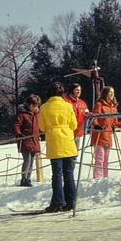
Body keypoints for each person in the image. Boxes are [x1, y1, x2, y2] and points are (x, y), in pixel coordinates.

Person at [39, 82, 78, 212]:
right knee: (69, 174)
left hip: (54, 142)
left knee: (56, 174)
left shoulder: (44, 107)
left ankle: (57, 202)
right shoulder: (68, 106)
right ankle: (71, 201)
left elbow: (41, 127)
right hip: (68, 141)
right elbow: (74, 125)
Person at [90, 86, 121, 178]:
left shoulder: (113, 107)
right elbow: (94, 117)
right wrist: (96, 125)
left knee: (106, 159)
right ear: (105, 93)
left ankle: (105, 178)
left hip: (108, 135)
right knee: (100, 158)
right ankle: (98, 178)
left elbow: (115, 121)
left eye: (113, 92)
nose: (112, 94)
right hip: (99, 135)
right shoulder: (99, 104)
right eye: (110, 92)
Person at [12, 95, 41, 187]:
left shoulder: (36, 115)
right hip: (25, 140)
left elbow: (37, 126)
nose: (35, 108)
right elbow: (16, 125)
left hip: (34, 140)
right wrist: (19, 134)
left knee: (32, 160)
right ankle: (23, 178)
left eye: (36, 106)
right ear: (29, 105)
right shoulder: (22, 114)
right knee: (27, 160)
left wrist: (39, 133)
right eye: (33, 106)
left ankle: (28, 178)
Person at [64, 83, 89, 150]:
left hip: (78, 131)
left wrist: (88, 114)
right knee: (67, 153)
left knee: (75, 152)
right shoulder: (66, 101)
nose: (79, 92)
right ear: (72, 90)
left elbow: (86, 114)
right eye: (77, 90)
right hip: (68, 131)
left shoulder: (82, 103)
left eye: (80, 90)